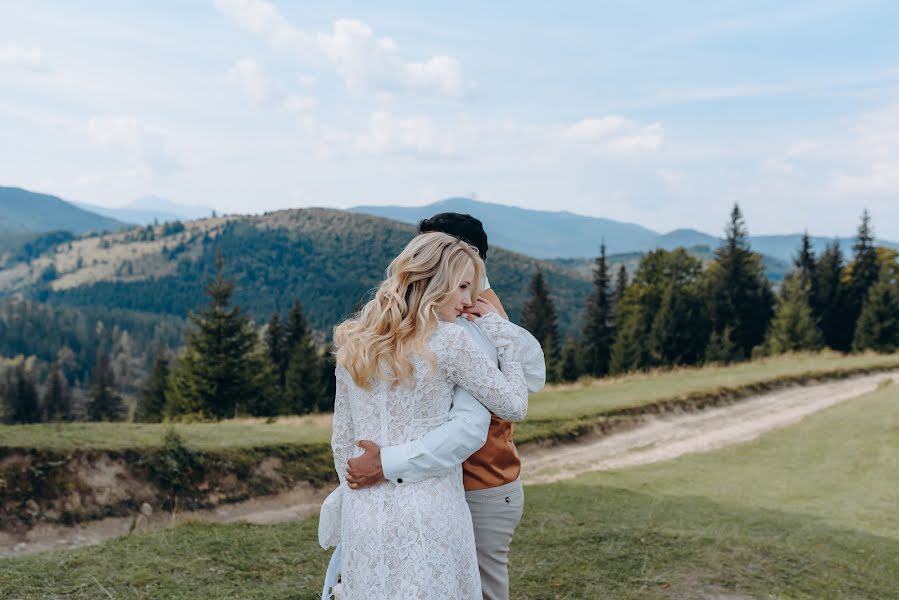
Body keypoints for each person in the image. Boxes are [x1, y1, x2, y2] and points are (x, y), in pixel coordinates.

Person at [319, 232, 543, 599]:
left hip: (363, 516)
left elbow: (342, 439)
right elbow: (514, 405)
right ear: (435, 282)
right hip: (430, 512)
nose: (469, 300)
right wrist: (501, 336)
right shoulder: (451, 341)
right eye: (463, 287)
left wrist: (356, 490)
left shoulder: (355, 341)